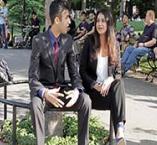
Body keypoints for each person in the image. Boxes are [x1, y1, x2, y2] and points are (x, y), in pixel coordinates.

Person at [28, 1, 91, 145]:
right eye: (67, 17)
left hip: (62, 91)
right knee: (35, 104)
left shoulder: (68, 40)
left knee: (86, 101)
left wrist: (77, 90)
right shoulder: (38, 40)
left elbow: (75, 73)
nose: (70, 21)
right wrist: (44, 92)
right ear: (57, 20)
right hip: (45, 93)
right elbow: (32, 77)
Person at [80, 9, 126, 145]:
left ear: (109, 23)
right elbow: (82, 70)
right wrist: (94, 84)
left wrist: (109, 79)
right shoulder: (89, 41)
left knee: (119, 84)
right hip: (92, 94)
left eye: (103, 21)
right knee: (117, 92)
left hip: (107, 93)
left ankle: (119, 131)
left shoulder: (115, 44)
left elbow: (118, 72)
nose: (100, 24)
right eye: (97, 21)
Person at [121, 10, 157, 75]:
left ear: (150, 17)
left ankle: (125, 69)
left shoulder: (155, 27)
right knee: (129, 48)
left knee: (136, 51)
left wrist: (144, 44)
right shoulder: (146, 27)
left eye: (146, 16)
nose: (145, 17)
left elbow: (153, 41)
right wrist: (136, 44)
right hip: (140, 46)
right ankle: (121, 66)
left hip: (149, 49)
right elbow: (141, 38)